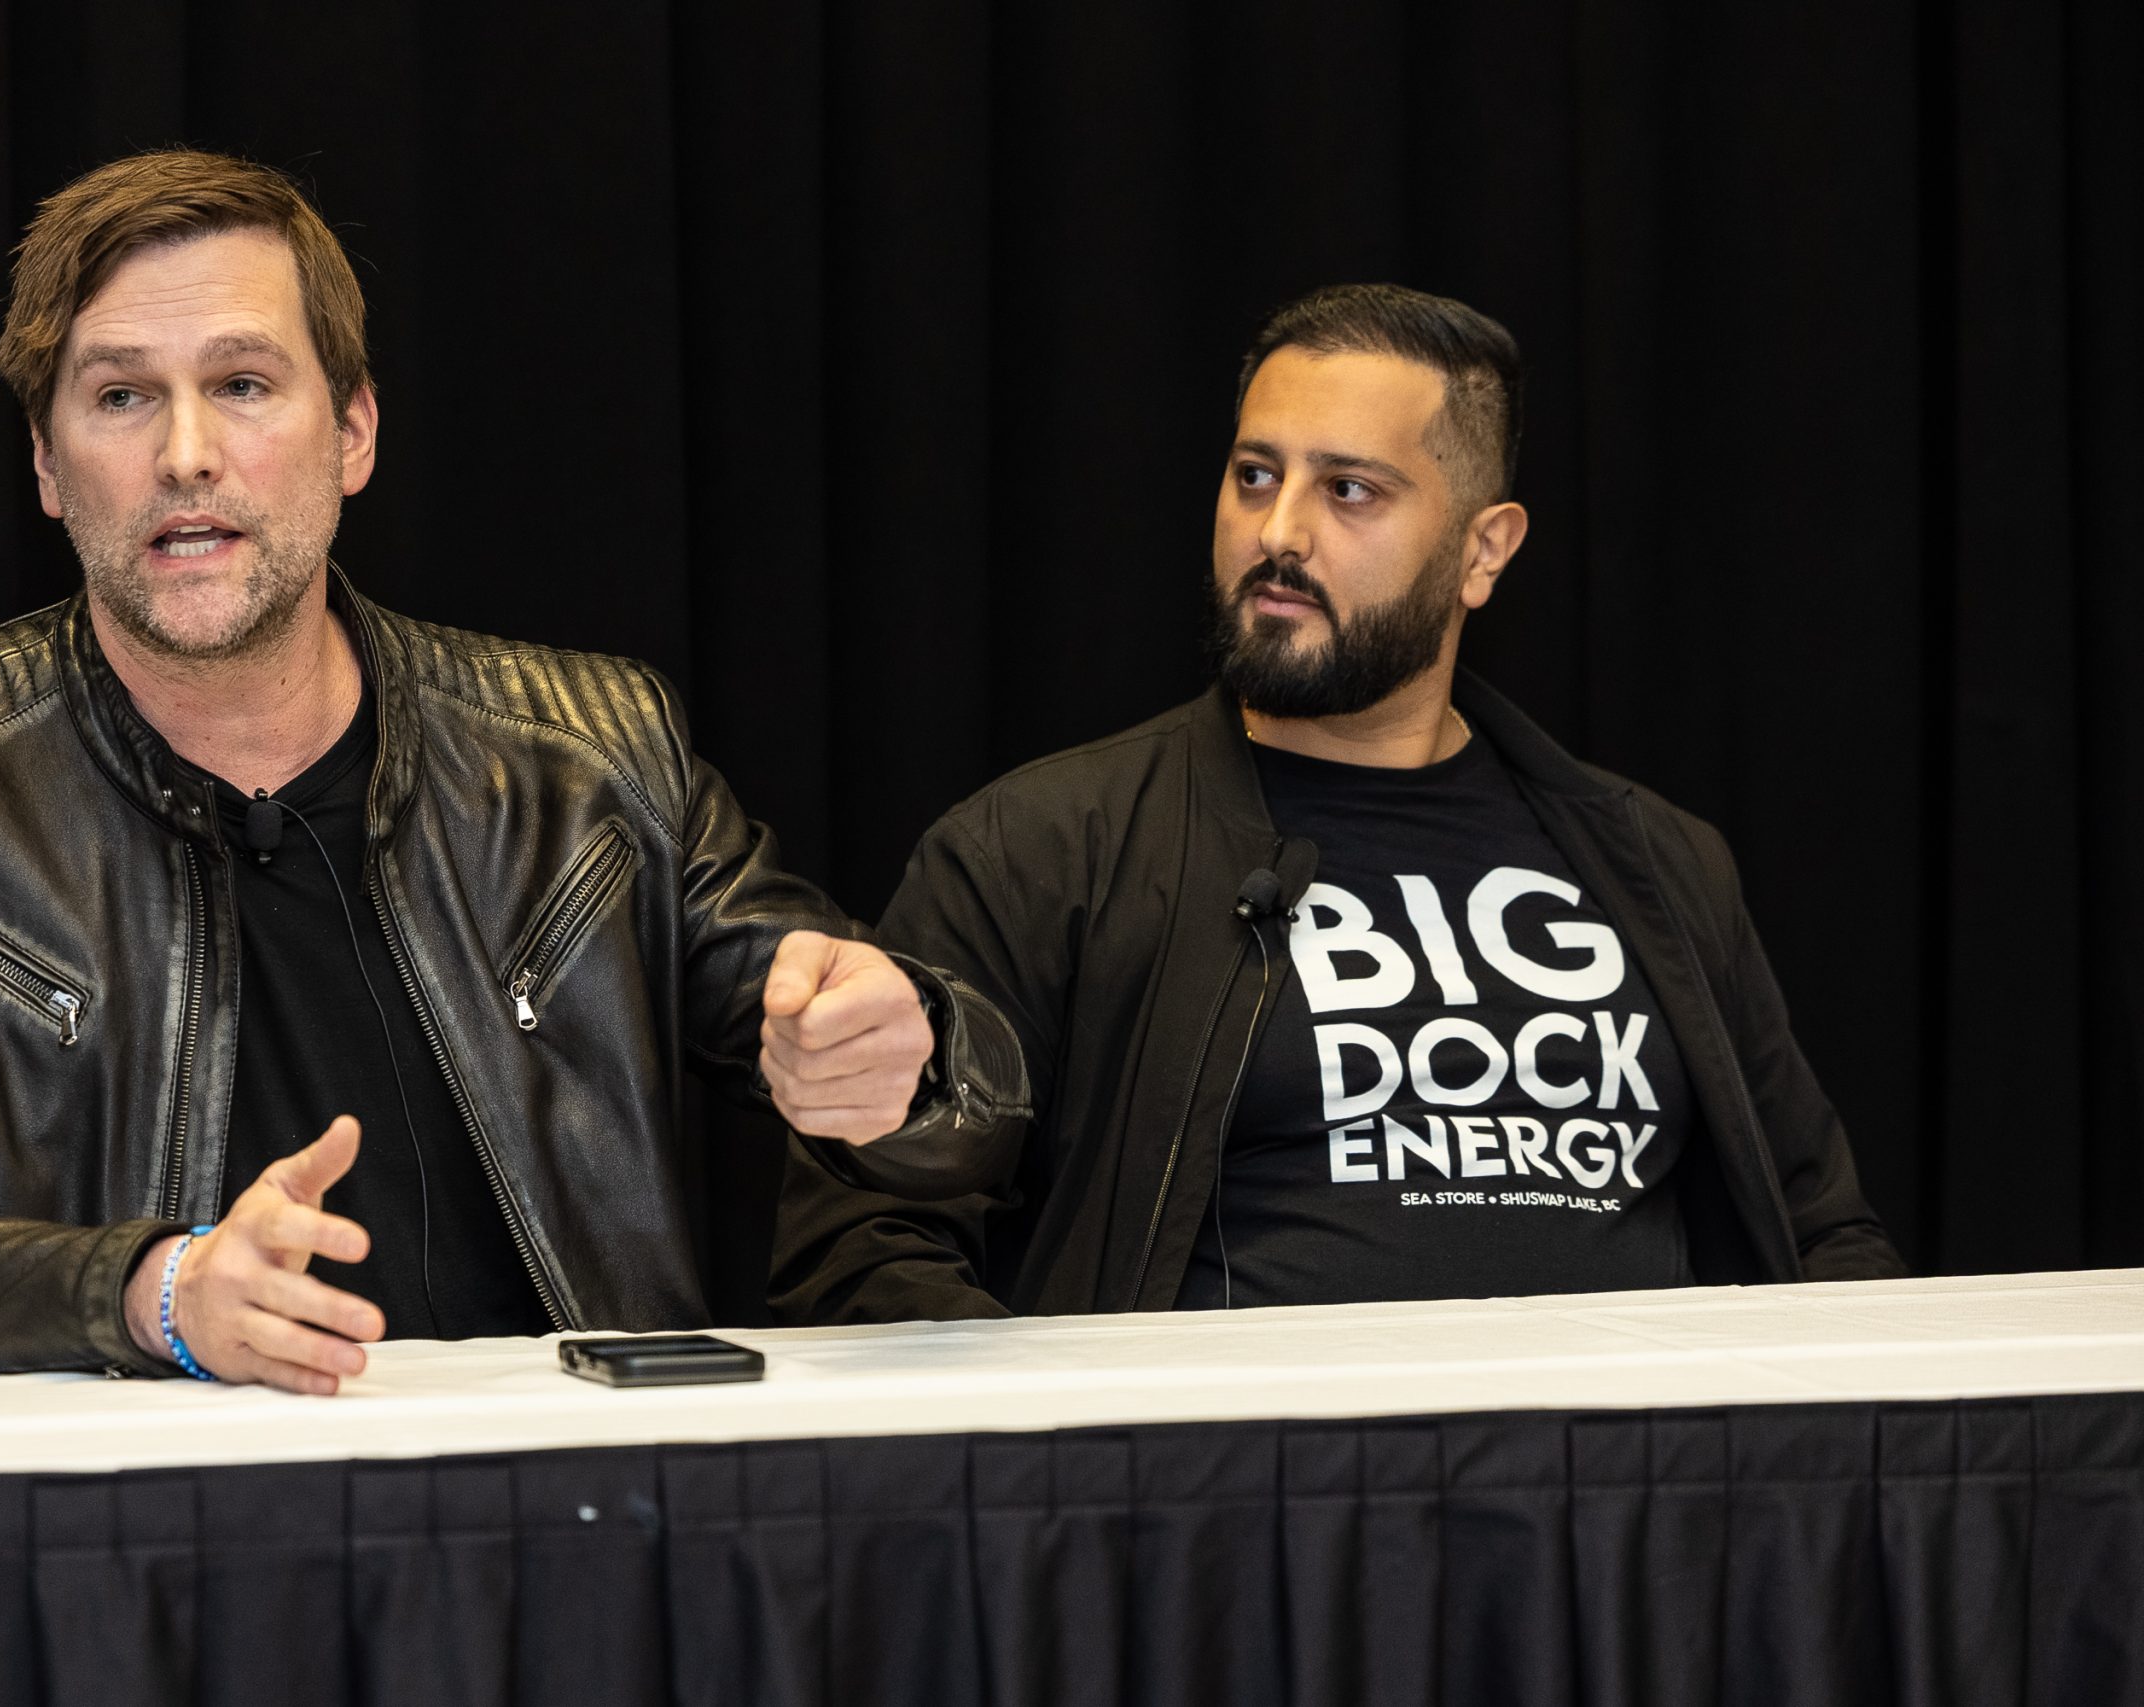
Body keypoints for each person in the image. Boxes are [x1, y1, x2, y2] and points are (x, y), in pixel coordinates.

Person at [0, 149, 1024, 1393]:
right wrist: (154, 1291)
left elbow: (947, 1093)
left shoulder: (589, 756)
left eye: (243, 383)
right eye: (122, 395)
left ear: (352, 432)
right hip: (142, 1516)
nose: (186, 454)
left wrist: (900, 1061)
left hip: (562, 1497)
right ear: (46, 463)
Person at [772, 283, 1901, 1325]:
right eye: (1255, 476)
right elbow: (863, 1244)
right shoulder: (1041, 849)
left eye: (1348, 490)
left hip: (1625, 1475)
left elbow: (1820, 1235)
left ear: (1483, 550)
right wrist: (1089, 1445)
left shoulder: (1658, 861)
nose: (1278, 534)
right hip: (1232, 1477)